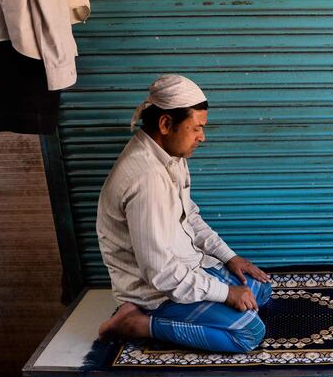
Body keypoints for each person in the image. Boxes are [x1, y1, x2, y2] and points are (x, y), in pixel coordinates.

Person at [95, 74, 272, 353]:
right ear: (166, 124)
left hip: (187, 267)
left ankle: (206, 305)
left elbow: (188, 215)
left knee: (260, 290)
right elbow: (161, 274)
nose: (202, 137)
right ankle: (135, 322)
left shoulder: (169, 155)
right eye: (196, 128)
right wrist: (225, 293)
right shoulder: (146, 180)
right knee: (249, 333)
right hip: (156, 292)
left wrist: (229, 257)